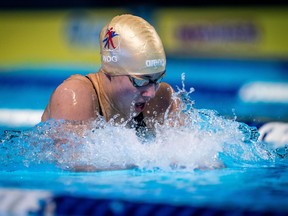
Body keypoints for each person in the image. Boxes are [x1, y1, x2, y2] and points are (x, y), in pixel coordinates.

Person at [41, 14, 181, 136]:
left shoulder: (162, 99)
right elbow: (75, 163)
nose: (151, 93)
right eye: (141, 81)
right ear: (111, 72)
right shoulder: (74, 96)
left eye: (157, 79)